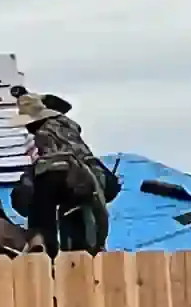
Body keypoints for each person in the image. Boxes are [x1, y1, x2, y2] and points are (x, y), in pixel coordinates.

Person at [14, 93, 118, 256]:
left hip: (64, 174)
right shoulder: (67, 126)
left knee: (37, 197)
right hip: (95, 176)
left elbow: (49, 163)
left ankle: (42, 242)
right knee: (75, 210)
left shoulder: (43, 133)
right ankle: (90, 247)